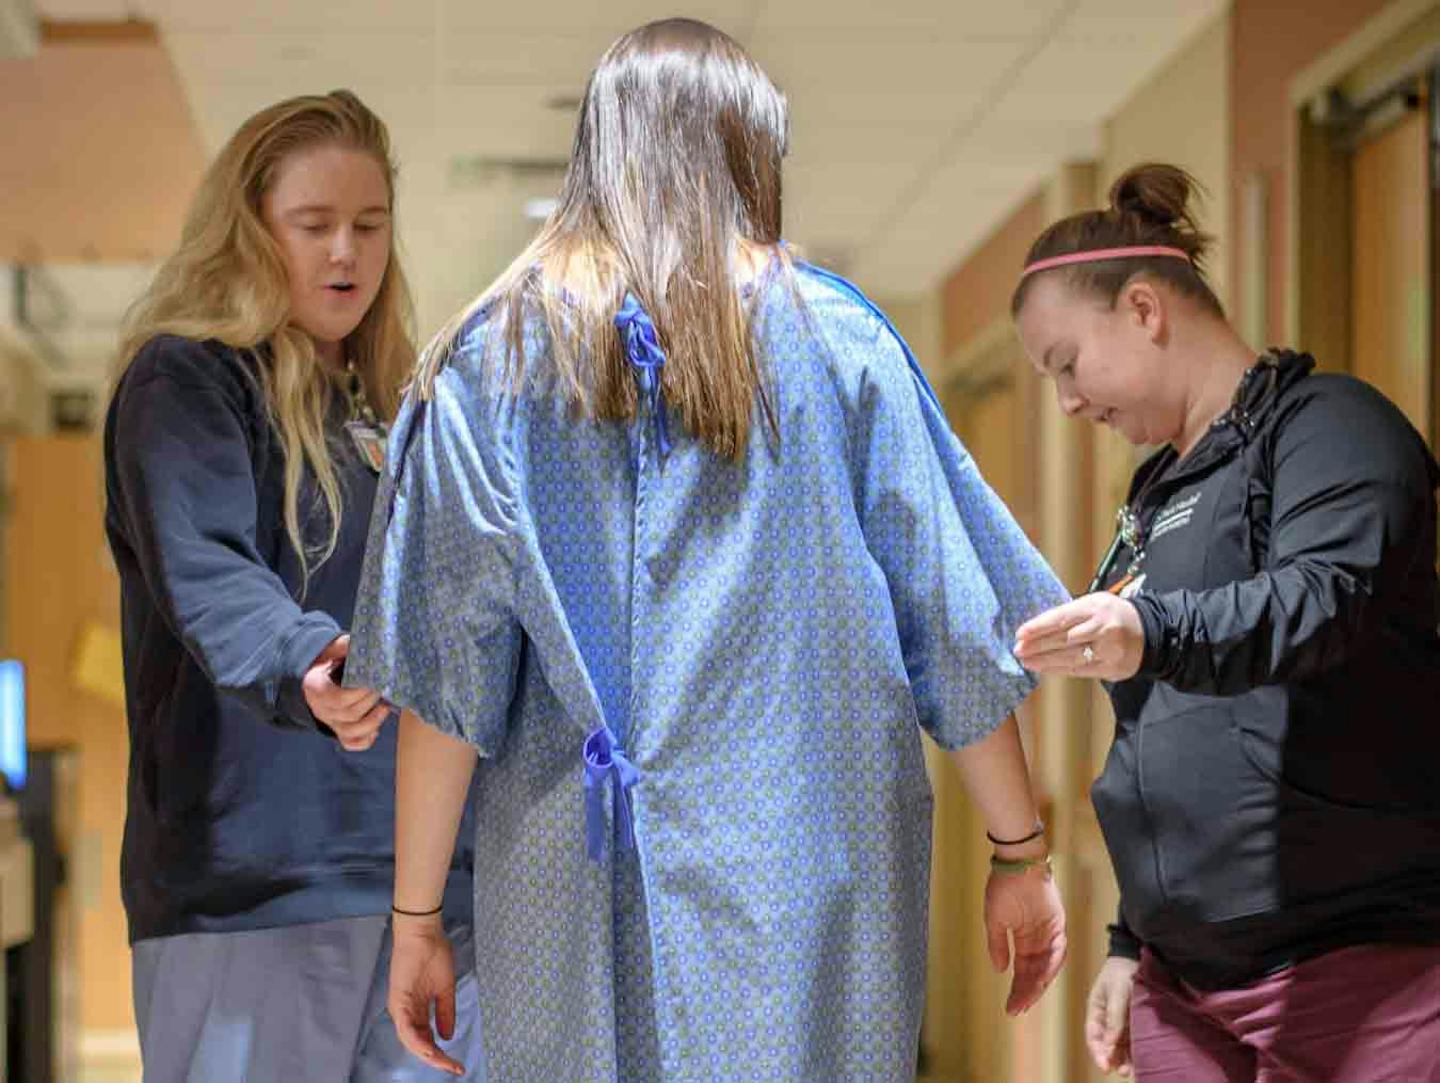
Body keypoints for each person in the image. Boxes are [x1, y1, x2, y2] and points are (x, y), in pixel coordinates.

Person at [345, 18, 1069, 1083]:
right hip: (805, 896)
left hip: (566, 897)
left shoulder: (484, 365)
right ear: (751, 154)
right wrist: (1020, 851)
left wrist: (416, 919)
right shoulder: (840, 346)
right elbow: (955, 637)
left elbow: (447, 688)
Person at [1011, 162, 1440, 1082]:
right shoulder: (1155, 495)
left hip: (1356, 970)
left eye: (1067, 364)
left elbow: (1320, 600)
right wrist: (1131, 939)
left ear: (1143, 308)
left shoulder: (1331, 426)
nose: (1071, 403)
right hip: (1185, 985)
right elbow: (1154, 733)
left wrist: (1149, 632)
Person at [104, 90, 483, 1081]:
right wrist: (308, 657)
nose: (345, 255)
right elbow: (211, 573)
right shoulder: (187, 383)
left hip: (416, 889)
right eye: (313, 226)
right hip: (258, 889)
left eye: (368, 225)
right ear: (250, 233)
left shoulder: (393, 410)